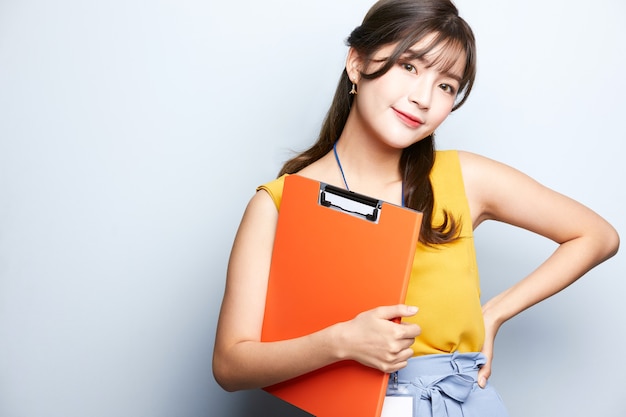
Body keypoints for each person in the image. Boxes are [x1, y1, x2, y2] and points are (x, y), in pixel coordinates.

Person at [212, 0, 619, 415]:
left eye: (446, 85)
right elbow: (229, 364)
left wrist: (494, 313)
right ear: (357, 62)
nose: (423, 97)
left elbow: (598, 236)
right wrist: (340, 342)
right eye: (409, 66)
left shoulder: (464, 177)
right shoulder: (279, 203)